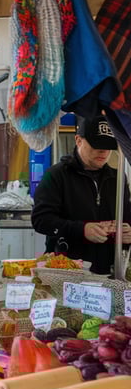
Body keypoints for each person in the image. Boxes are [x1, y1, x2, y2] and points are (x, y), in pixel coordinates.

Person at [32, 115, 131, 275]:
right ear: (78, 140)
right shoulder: (56, 175)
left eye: (108, 146)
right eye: (96, 145)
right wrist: (81, 229)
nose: (103, 152)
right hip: (67, 270)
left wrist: (128, 233)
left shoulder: (118, 178)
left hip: (111, 271)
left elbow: (127, 216)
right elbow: (41, 220)